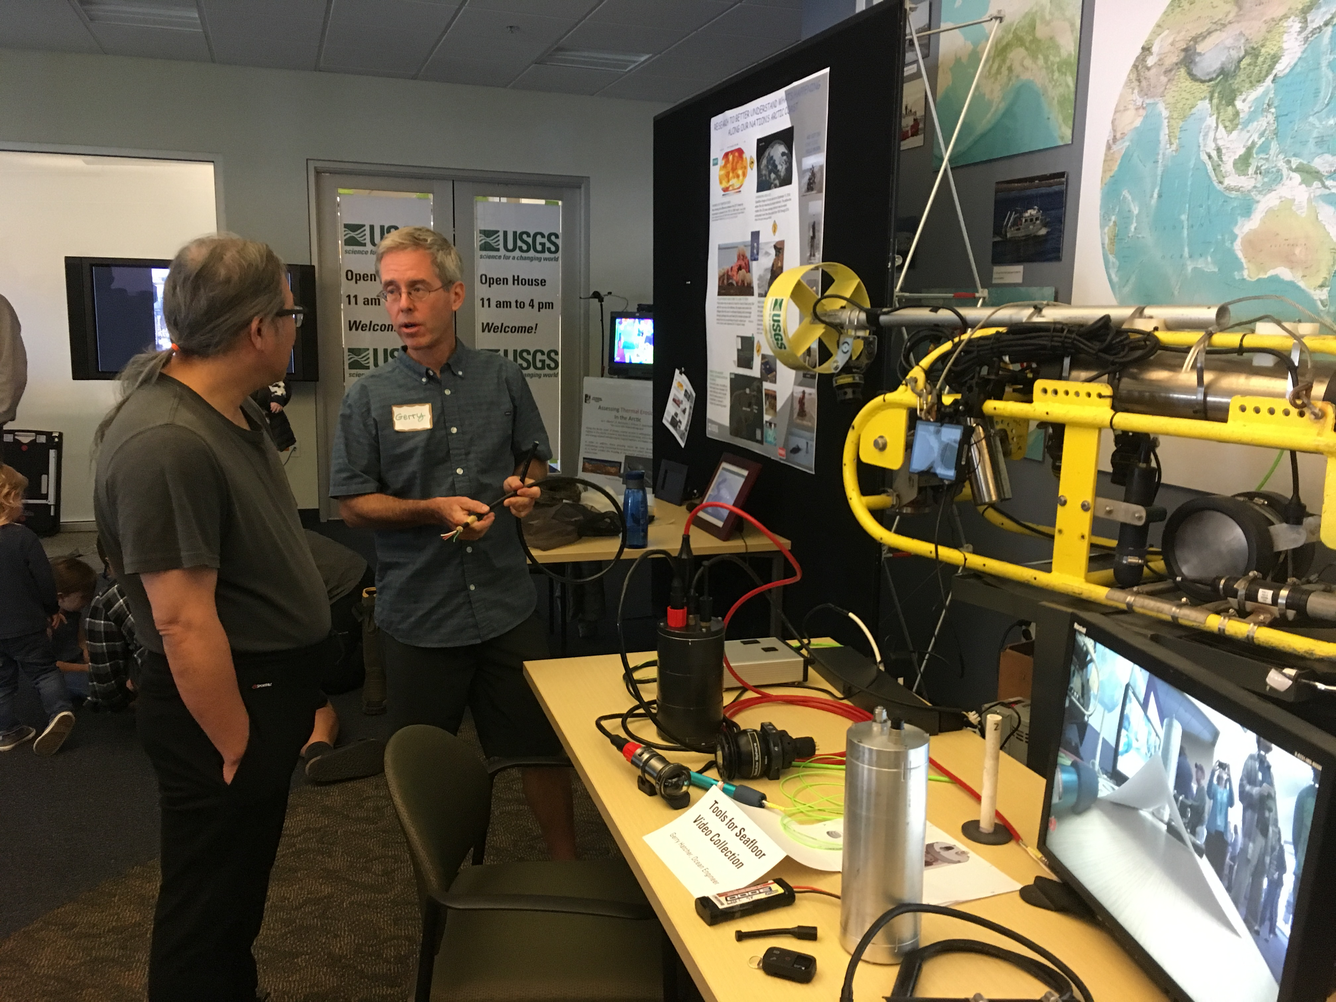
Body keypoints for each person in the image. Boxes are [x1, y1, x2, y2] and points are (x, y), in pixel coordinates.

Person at [94, 233, 331, 1002]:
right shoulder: (167, 441)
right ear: (259, 330)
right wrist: (235, 743)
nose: (296, 330)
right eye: (291, 316)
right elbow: (182, 622)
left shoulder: (224, 407)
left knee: (232, 906)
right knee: (206, 915)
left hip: (262, 693)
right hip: (224, 710)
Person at [329, 225, 576, 860]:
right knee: (427, 770)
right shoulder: (369, 397)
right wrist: (429, 509)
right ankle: (447, 882)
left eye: (417, 289)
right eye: (390, 292)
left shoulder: (502, 377)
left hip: (505, 605)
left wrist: (527, 492)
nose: (402, 306)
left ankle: (566, 860)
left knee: (538, 746)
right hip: (419, 617)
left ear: (455, 293)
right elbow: (352, 505)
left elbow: (535, 462)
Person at [0, 464, 76, 754]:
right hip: (27, 625)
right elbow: (44, 579)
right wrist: (51, 609)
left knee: (3, 681)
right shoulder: (23, 538)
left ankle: (7, 732)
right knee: (44, 671)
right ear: (9, 498)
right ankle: (59, 712)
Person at [1232, 736, 1277, 931]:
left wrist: (1275, 838)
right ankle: (1230, 915)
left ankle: (1250, 923)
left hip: (1266, 832)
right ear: (1260, 738)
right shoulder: (1251, 762)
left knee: (1259, 878)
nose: (1273, 740)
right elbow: (1242, 791)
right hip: (1253, 828)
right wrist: (1259, 791)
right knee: (1243, 872)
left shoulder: (1270, 770)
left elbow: (1274, 808)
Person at [49, 554, 99, 700]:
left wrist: (86, 652)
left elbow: (81, 639)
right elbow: (49, 664)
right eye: (83, 597)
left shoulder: (73, 612)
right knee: (92, 687)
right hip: (57, 672)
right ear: (61, 597)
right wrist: (85, 668)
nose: (88, 601)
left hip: (76, 662)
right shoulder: (44, 623)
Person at [1204, 760, 1235, 879]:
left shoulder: (1227, 793)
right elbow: (1209, 793)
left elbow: (1232, 802)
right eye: (1221, 770)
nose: (1222, 771)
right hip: (1212, 830)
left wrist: (1230, 777)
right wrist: (1212, 772)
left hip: (1222, 833)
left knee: (1219, 865)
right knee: (1209, 859)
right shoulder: (1215, 789)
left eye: (1224, 770)